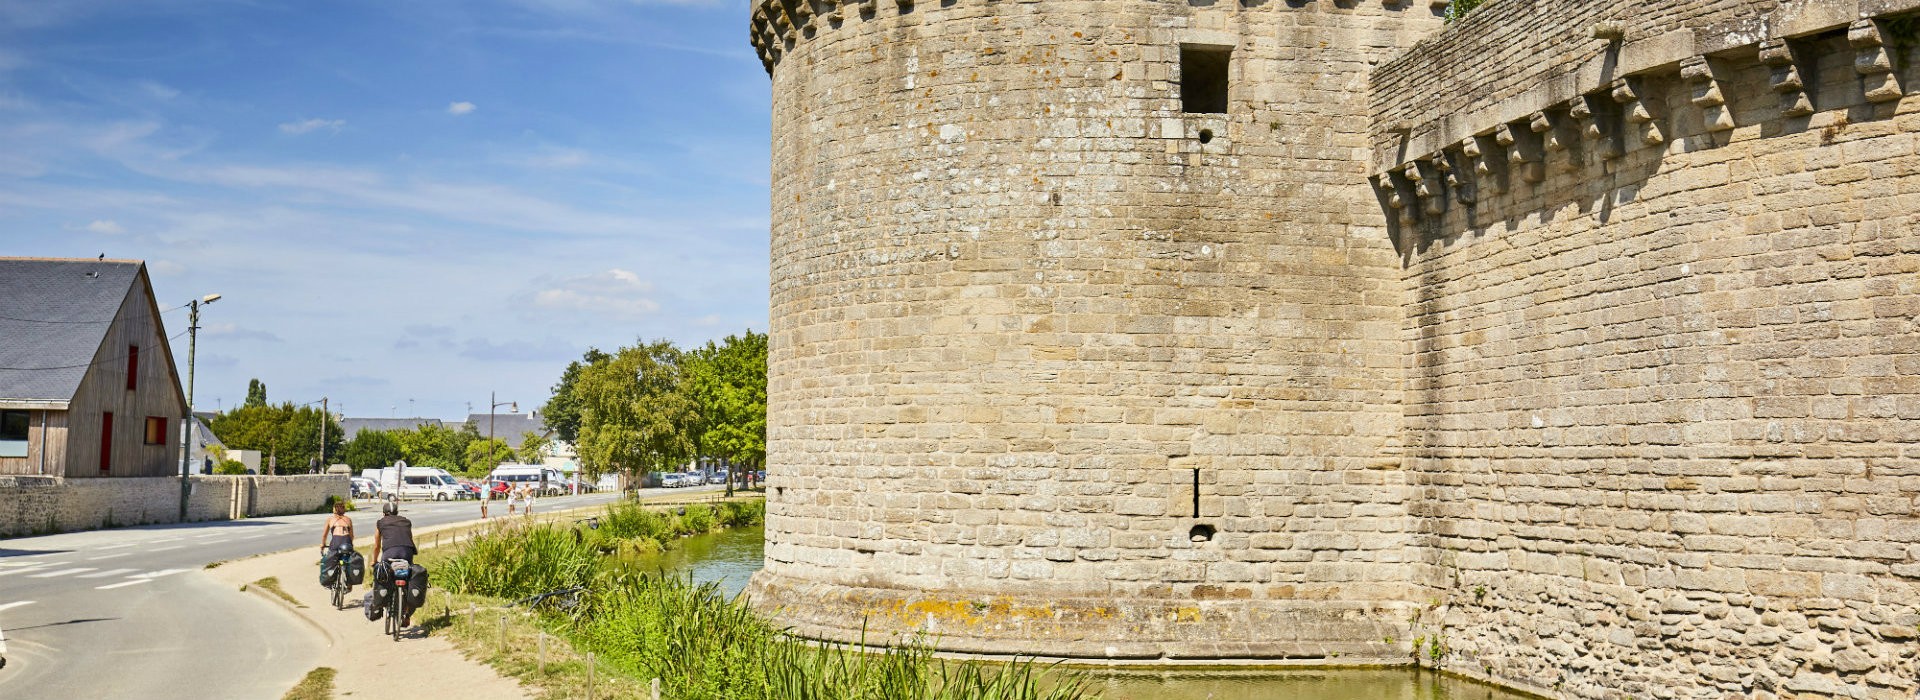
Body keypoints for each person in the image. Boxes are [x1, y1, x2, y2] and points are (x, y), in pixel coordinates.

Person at [370, 500, 418, 626]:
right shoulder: (406, 521)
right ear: (397, 512)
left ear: (384, 513)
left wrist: (374, 561)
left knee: (383, 576)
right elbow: (410, 539)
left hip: (389, 554)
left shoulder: (381, 522)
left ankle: (379, 604)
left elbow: (376, 546)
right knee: (407, 580)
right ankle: (406, 614)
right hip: (407, 553)